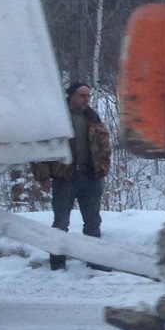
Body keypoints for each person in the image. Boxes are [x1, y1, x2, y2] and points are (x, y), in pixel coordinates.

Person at [31, 82, 111, 269]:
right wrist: (43, 177)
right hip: (65, 177)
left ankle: (96, 262)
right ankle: (57, 264)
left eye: (88, 96)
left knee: (93, 223)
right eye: (82, 95)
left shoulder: (92, 118)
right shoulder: (58, 119)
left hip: (90, 177)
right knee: (61, 223)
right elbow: (42, 148)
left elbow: (105, 146)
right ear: (71, 96)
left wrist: (102, 168)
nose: (86, 99)